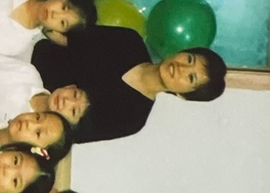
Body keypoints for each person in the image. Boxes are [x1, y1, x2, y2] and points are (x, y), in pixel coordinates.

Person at [32, 25, 228, 143]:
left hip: (28, 107)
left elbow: (65, 135)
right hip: (25, 53)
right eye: (190, 59)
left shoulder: (131, 119)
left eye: (191, 78)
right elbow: (65, 35)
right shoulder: (129, 41)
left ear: (183, 95)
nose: (181, 68)